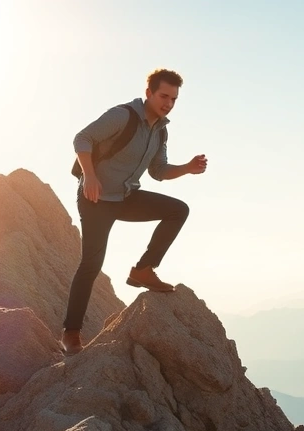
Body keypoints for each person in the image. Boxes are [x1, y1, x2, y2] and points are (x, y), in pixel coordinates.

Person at [61, 68, 207, 355]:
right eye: (164, 96)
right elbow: (82, 139)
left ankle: (143, 270)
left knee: (178, 210)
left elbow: (159, 171)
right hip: (96, 198)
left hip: (126, 197)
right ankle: (71, 333)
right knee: (91, 263)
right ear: (149, 92)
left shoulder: (160, 130)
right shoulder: (123, 115)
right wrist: (89, 176)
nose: (168, 103)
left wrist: (187, 169)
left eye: (174, 99)